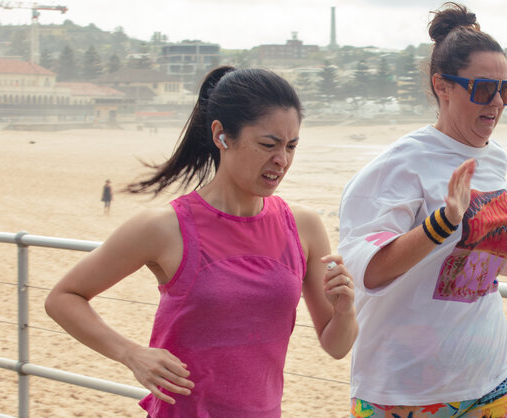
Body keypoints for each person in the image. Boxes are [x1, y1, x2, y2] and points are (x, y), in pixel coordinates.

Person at [338, 3, 507, 417]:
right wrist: (441, 223)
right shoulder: (397, 168)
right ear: (442, 86)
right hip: (402, 389)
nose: (498, 102)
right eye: (483, 88)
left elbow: (473, 253)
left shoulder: (494, 157)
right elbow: (370, 272)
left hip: (491, 376)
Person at [45, 66, 358, 417]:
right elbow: (63, 298)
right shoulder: (164, 227)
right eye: (268, 144)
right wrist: (130, 353)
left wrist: (345, 309)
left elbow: (336, 346)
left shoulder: (304, 226)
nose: (281, 160)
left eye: (291, 146)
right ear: (221, 135)